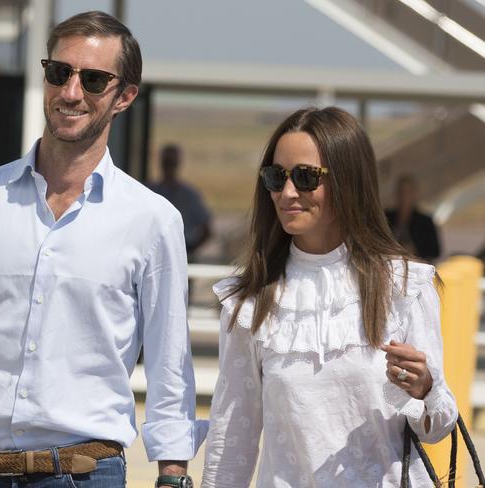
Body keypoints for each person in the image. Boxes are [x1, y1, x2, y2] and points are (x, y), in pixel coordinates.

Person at [0, 11, 206, 488]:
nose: (71, 93)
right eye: (59, 72)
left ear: (125, 96)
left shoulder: (153, 220)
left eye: (94, 79)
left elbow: (168, 366)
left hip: (84, 474)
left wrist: (173, 476)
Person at [201, 107, 457, 487]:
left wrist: (425, 388)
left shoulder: (404, 286)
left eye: (305, 177)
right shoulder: (249, 302)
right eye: (276, 177)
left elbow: (438, 427)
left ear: (348, 182)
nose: (287, 193)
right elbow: (232, 433)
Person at [149, 144, 211, 260]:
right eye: (166, 162)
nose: (169, 167)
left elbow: (206, 228)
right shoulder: (150, 191)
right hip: (155, 251)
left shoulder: (189, 195)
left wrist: (190, 250)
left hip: (184, 249)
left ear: (178, 164)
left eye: (172, 163)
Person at [385, 174, 441, 262]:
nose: (404, 196)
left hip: (416, 267)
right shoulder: (385, 217)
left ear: (414, 194)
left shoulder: (425, 222)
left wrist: (415, 251)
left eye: (408, 192)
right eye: (401, 191)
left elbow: (435, 252)